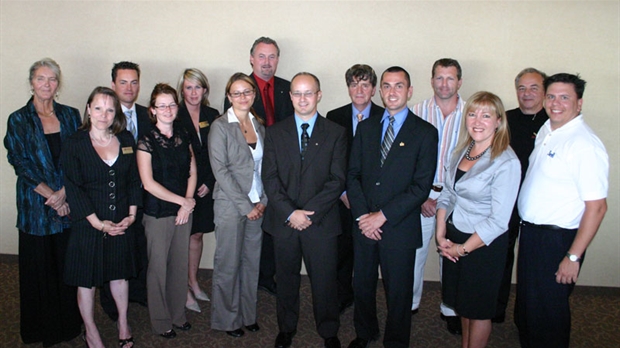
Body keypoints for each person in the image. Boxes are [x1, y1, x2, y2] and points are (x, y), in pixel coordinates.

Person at [347, 66, 438, 348]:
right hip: (364, 225)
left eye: (399, 86)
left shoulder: (425, 133)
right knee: (362, 285)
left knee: (398, 292)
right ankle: (365, 332)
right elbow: (353, 175)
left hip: (399, 226)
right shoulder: (366, 127)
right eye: (387, 86)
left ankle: (396, 341)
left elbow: (421, 187)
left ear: (409, 91)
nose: (392, 91)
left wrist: (382, 217)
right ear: (380, 90)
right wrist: (364, 216)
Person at [516, 73, 608, 347]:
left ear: (579, 103)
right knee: (531, 307)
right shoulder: (548, 129)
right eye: (551, 96)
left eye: (564, 97)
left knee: (549, 313)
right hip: (533, 234)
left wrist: (573, 256)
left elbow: (598, 207)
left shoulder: (584, 144)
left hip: (557, 241)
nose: (556, 103)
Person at [262, 72, 347, 348]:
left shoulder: (336, 133)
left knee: (325, 282)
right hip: (284, 222)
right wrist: (291, 213)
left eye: (308, 93)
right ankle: (286, 329)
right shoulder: (275, 132)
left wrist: (307, 213)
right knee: (286, 281)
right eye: (297, 93)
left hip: (320, 222)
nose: (302, 99)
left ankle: (329, 331)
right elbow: (270, 179)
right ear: (290, 97)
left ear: (318, 95)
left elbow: (337, 180)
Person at [4, 58, 82, 347]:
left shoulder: (72, 115)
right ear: (31, 82)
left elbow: (78, 157)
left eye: (51, 79)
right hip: (35, 208)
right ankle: (41, 330)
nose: (46, 84)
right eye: (40, 78)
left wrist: (64, 193)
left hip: (67, 204)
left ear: (57, 84)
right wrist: (51, 195)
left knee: (66, 268)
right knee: (39, 271)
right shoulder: (18, 119)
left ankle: (69, 326)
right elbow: (20, 163)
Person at [436, 91, 520, 348]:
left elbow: (498, 221)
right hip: (454, 237)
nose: (477, 120)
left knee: (479, 309)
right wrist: (441, 236)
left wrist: (462, 249)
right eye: (472, 114)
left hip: (483, 245)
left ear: (498, 121)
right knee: (463, 305)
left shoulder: (506, 161)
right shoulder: (462, 151)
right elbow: (447, 195)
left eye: (486, 115)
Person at [62, 86, 141, 348]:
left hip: (120, 221)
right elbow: (73, 187)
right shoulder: (75, 143)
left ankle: (122, 322)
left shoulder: (126, 139)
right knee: (87, 280)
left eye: (110, 109)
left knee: (120, 275)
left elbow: (133, 181)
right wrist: (97, 223)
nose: (103, 114)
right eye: (98, 108)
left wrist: (131, 216)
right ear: (88, 109)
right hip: (88, 224)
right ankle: (91, 329)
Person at [225, 36, 294, 296]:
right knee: (253, 230)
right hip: (250, 175)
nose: (267, 62)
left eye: (272, 56)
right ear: (251, 59)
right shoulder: (239, 89)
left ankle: (270, 275)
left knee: (278, 226)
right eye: (261, 56)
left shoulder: (288, 89)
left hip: (283, 171)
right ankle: (254, 278)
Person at [136, 83, 197, 338]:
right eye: (162, 105)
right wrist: (181, 201)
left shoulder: (183, 135)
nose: (168, 109)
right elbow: (148, 184)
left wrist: (189, 199)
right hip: (158, 213)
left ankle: (177, 314)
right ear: (153, 110)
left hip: (184, 212)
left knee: (179, 266)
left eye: (172, 104)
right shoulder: (145, 141)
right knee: (158, 269)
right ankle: (161, 320)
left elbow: (193, 170)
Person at [209, 73, 267, 338]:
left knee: (251, 262)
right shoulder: (220, 126)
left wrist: (263, 200)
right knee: (228, 264)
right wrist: (246, 206)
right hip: (231, 205)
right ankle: (227, 319)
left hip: (258, 203)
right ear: (229, 97)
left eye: (247, 92)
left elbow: (266, 167)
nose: (243, 97)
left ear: (254, 94)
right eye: (236, 93)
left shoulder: (260, 124)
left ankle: (247, 314)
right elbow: (220, 171)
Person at [409, 58, 465, 334]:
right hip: (422, 197)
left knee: (450, 255)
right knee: (415, 253)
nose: (444, 84)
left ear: (459, 82)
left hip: (457, 199)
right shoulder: (416, 111)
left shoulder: (472, 114)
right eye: (439, 78)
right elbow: (406, 162)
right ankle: (410, 304)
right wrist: (421, 197)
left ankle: (451, 309)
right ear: (431, 81)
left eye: (450, 78)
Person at [325, 64, 384, 314]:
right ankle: (342, 296)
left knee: (368, 257)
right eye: (353, 84)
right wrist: (343, 192)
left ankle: (364, 301)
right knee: (341, 252)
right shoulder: (333, 116)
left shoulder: (386, 116)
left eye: (365, 84)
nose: (359, 89)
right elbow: (329, 160)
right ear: (348, 87)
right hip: (342, 199)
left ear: (373, 89)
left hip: (373, 203)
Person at [494, 68, 548, 323]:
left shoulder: (553, 121)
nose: (527, 94)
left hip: (540, 205)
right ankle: (496, 309)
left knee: (532, 264)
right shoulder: (505, 119)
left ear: (544, 91)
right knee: (502, 257)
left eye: (533, 88)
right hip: (507, 202)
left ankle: (526, 315)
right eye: (522, 88)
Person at [98, 61, 151, 322]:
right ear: (113, 85)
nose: (129, 88)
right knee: (113, 252)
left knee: (140, 246)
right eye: (123, 82)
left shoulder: (147, 114)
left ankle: (138, 293)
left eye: (134, 82)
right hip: (113, 197)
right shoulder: (104, 116)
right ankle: (109, 304)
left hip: (143, 195)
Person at [176, 68, 219, 313]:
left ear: (205, 90)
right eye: (188, 87)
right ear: (182, 89)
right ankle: (181, 287)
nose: (193, 93)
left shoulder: (212, 115)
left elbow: (219, 152)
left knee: (197, 235)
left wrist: (210, 181)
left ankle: (193, 280)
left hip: (206, 187)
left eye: (198, 87)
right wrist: (189, 188)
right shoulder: (174, 114)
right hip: (182, 190)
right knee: (180, 239)